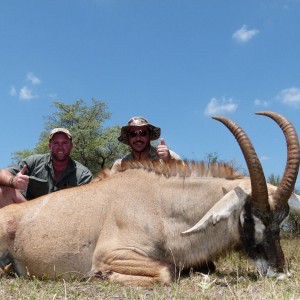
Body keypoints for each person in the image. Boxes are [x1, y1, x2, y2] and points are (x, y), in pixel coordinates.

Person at [0, 128, 93, 207]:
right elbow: (2, 173)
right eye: (56, 143)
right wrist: (12, 181)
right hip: (30, 214)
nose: (60, 147)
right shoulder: (34, 161)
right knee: (4, 191)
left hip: (65, 219)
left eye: (65, 143)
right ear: (49, 146)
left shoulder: (83, 175)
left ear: (71, 146)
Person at [111, 116, 180, 173]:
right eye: (133, 134)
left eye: (143, 133)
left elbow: (184, 180)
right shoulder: (119, 165)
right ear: (128, 138)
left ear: (149, 135)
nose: (138, 138)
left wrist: (168, 161)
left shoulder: (168, 156)